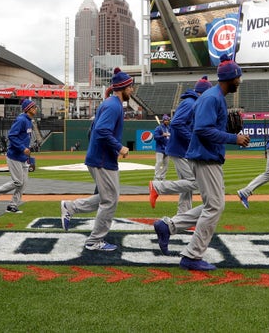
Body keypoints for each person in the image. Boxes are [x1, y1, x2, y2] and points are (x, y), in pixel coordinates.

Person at [153, 55, 250, 270]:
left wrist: (227, 132)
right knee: (214, 206)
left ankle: (168, 226)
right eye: (238, 78)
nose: (239, 81)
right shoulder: (212, 97)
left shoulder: (214, 97)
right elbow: (202, 130)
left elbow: (206, 128)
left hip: (207, 156)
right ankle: (192, 255)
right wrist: (234, 138)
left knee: (212, 205)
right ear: (230, 77)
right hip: (205, 157)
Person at [60, 68, 134, 252]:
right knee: (110, 200)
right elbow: (101, 131)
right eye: (130, 86)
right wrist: (119, 147)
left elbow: (92, 131)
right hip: (102, 160)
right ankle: (94, 241)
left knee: (107, 197)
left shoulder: (110, 104)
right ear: (122, 88)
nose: (132, 90)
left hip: (100, 158)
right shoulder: (113, 105)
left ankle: (70, 207)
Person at [149, 76, 212, 215]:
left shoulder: (193, 102)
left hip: (182, 149)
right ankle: (157, 186)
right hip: (179, 150)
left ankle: (183, 216)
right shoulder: (190, 103)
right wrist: (192, 140)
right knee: (195, 182)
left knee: (187, 184)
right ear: (203, 92)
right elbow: (176, 123)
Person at [0, 98, 38, 213]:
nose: (36, 109)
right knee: (18, 182)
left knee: (24, 183)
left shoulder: (29, 120)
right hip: (14, 156)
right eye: (33, 107)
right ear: (27, 109)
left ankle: (12, 205)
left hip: (23, 157)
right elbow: (12, 136)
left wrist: (27, 150)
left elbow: (23, 138)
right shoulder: (21, 120)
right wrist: (22, 148)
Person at [153, 114, 171, 181]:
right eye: (166, 120)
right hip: (160, 148)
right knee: (159, 162)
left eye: (168, 120)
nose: (167, 121)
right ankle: (157, 177)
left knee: (166, 164)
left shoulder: (169, 128)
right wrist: (162, 135)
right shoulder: (159, 128)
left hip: (167, 148)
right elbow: (155, 137)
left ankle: (162, 177)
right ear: (163, 120)